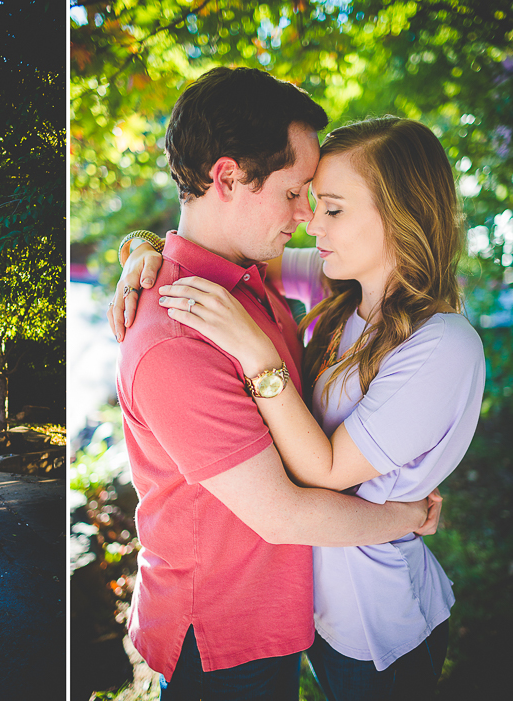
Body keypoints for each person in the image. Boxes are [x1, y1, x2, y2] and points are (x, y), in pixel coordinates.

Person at [116, 117, 485, 699]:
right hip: (309, 609)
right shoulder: (340, 286)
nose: (311, 222)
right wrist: (143, 248)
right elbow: (214, 245)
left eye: (331, 208)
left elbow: (327, 470)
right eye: (310, 201)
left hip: (374, 619)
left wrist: (259, 354)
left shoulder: (443, 345)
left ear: (401, 216)